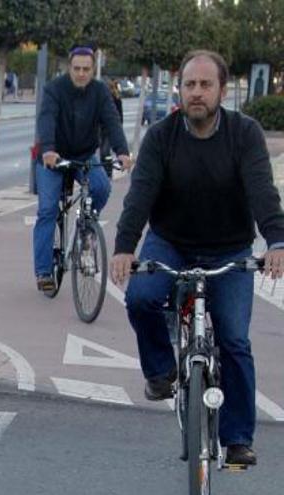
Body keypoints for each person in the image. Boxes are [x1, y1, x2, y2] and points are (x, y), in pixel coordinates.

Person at [111, 50, 284, 466]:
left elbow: (262, 191)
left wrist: (277, 241)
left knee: (235, 340)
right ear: (180, 90)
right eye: (189, 85)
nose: (197, 93)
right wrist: (123, 247)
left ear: (222, 91)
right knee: (140, 298)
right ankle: (160, 371)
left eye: (206, 85)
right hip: (170, 241)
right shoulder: (161, 136)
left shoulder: (244, 134)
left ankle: (238, 438)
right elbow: (140, 196)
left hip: (229, 248)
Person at [33, 45, 132, 293]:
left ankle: (86, 230)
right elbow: (46, 119)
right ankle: (44, 271)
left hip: (84, 155)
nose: (81, 74)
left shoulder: (99, 92)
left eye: (86, 69)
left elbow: (111, 120)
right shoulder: (54, 89)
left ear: (93, 69)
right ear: (69, 68)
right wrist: (48, 149)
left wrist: (122, 151)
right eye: (76, 69)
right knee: (47, 210)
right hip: (52, 157)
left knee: (100, 186)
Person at [99, 78, 124, 176]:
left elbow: (119, 115)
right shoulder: (100, 100)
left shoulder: (116, 99)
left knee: (105, 151)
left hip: (110, 130)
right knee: (102, 151)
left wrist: (118, 128)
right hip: (100, 129)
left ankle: (108, 171)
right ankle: (104, 170)